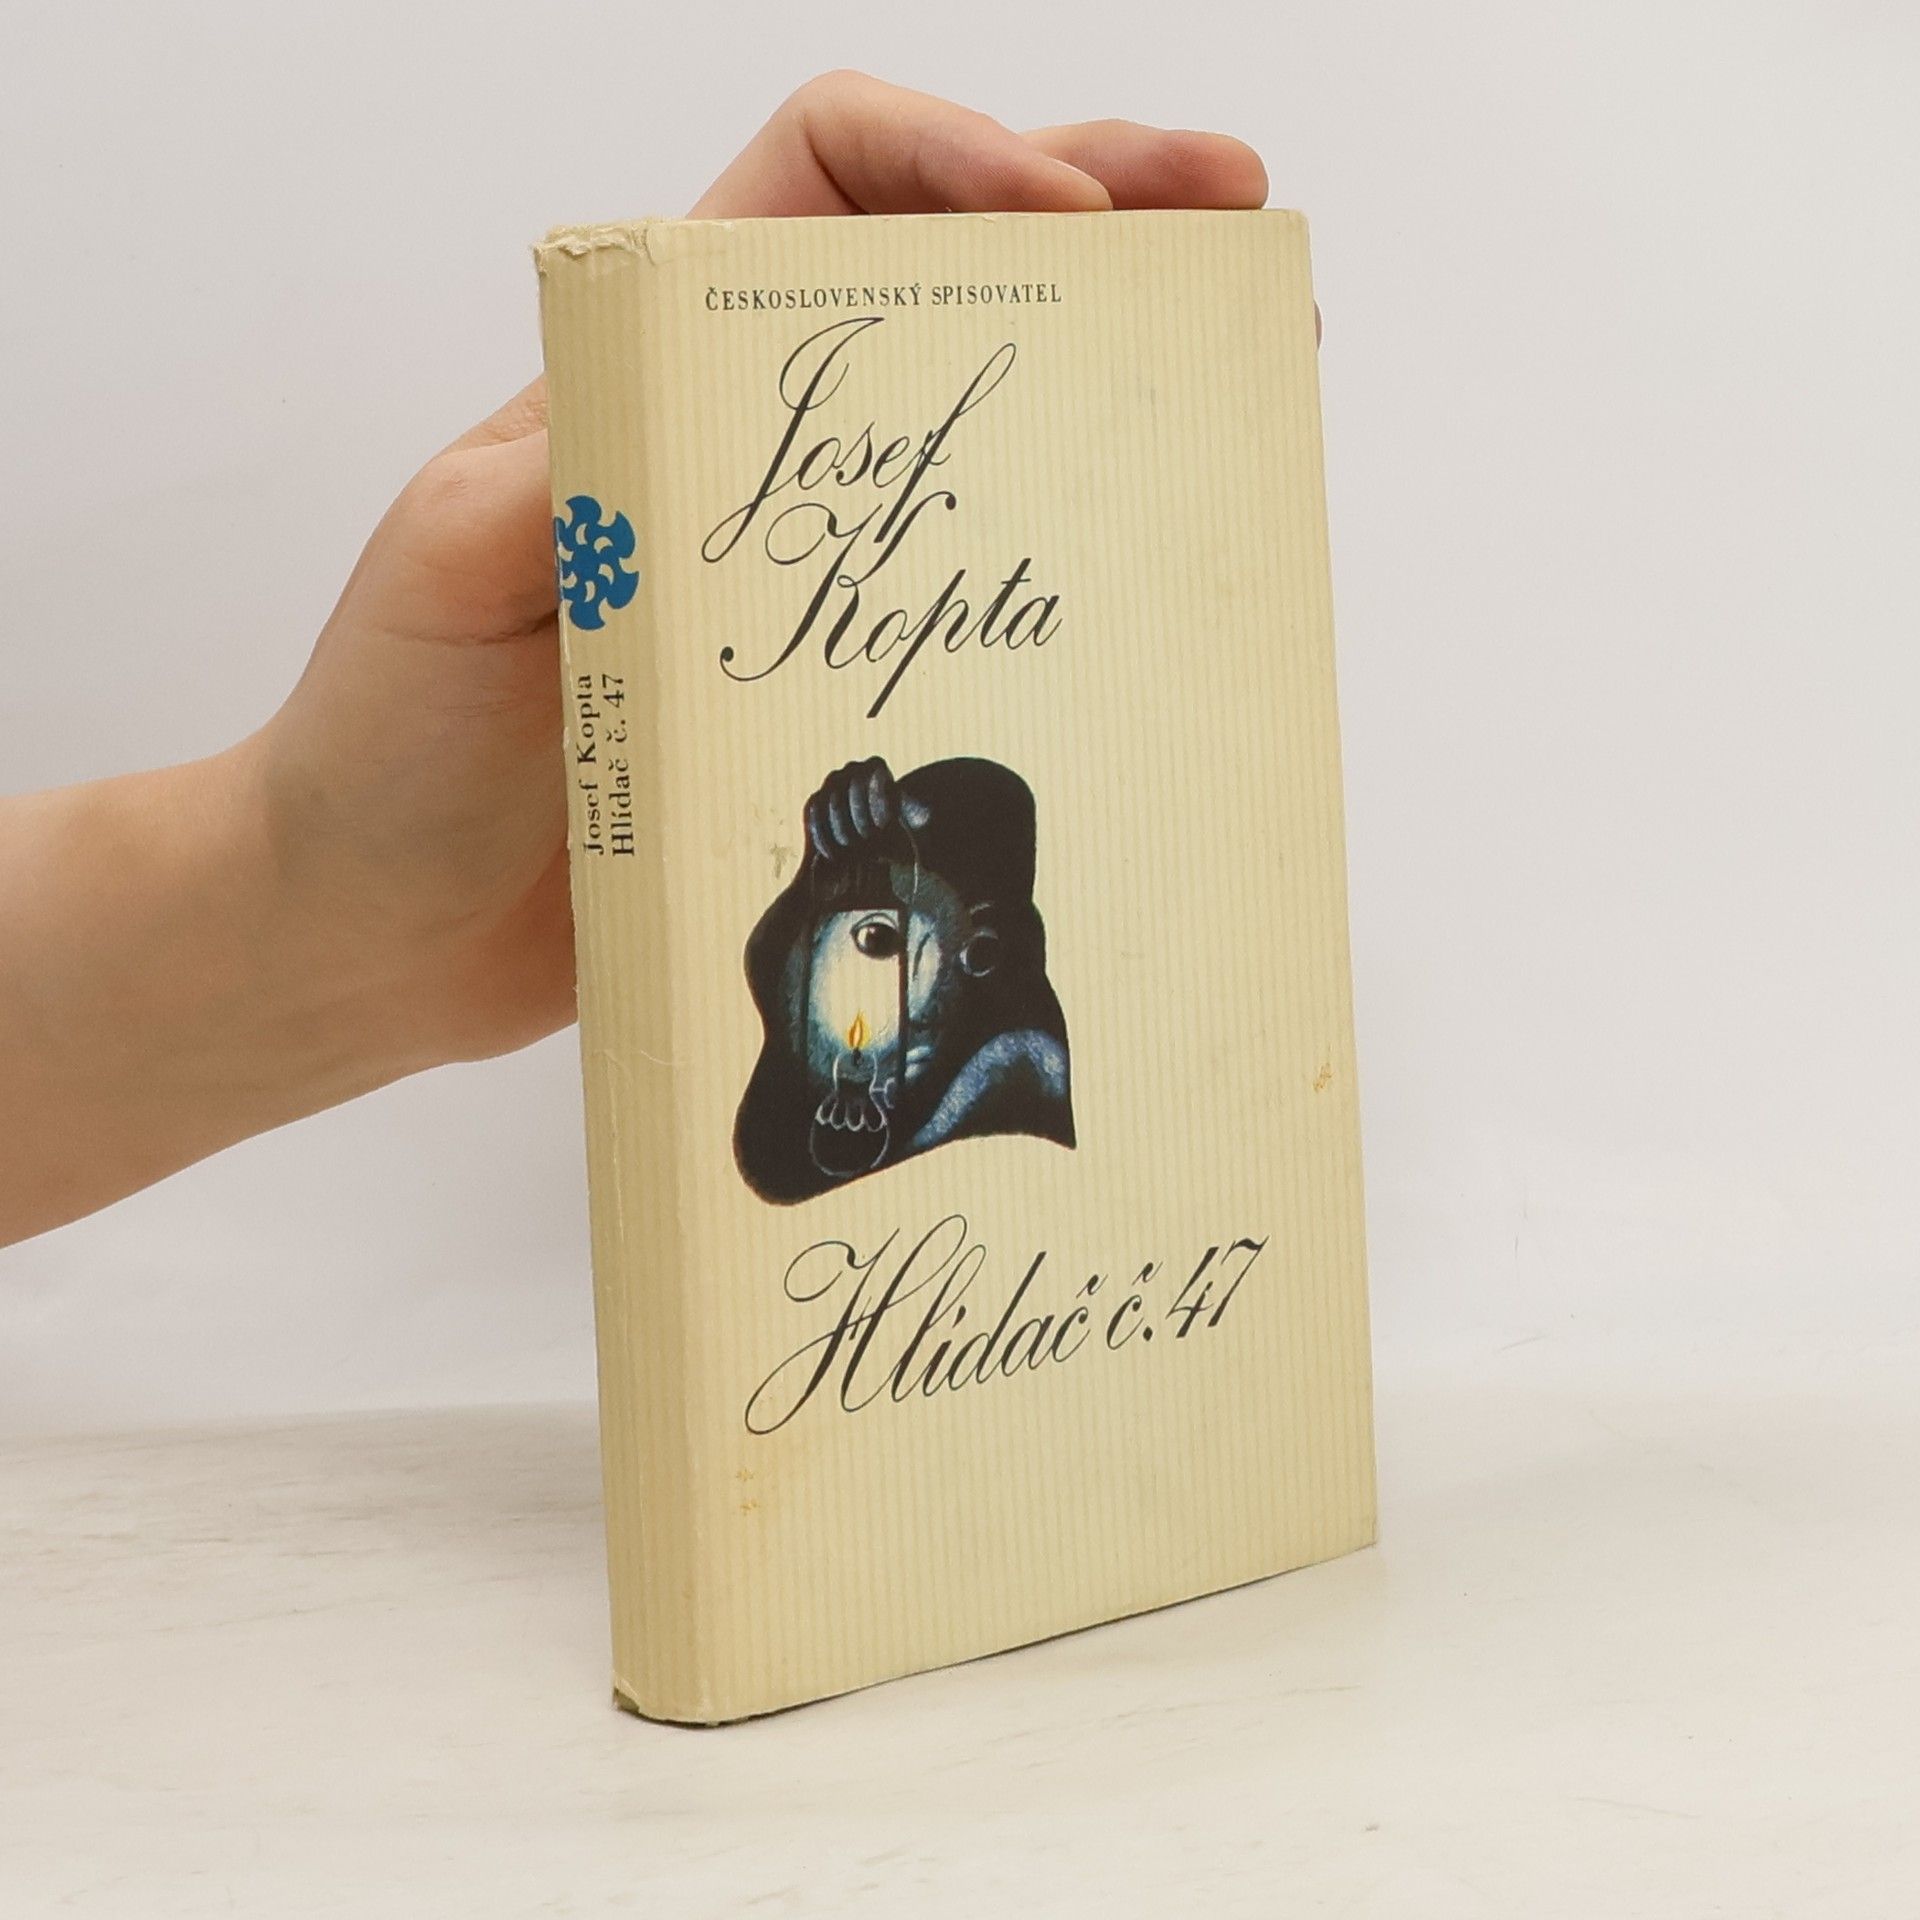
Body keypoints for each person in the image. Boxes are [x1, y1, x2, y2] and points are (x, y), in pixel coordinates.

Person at [0, 72, 1270, 1249]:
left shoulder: (1006, 1064)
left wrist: (310, 908)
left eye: (878, 931)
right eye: (852, 927)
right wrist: (313, 908)